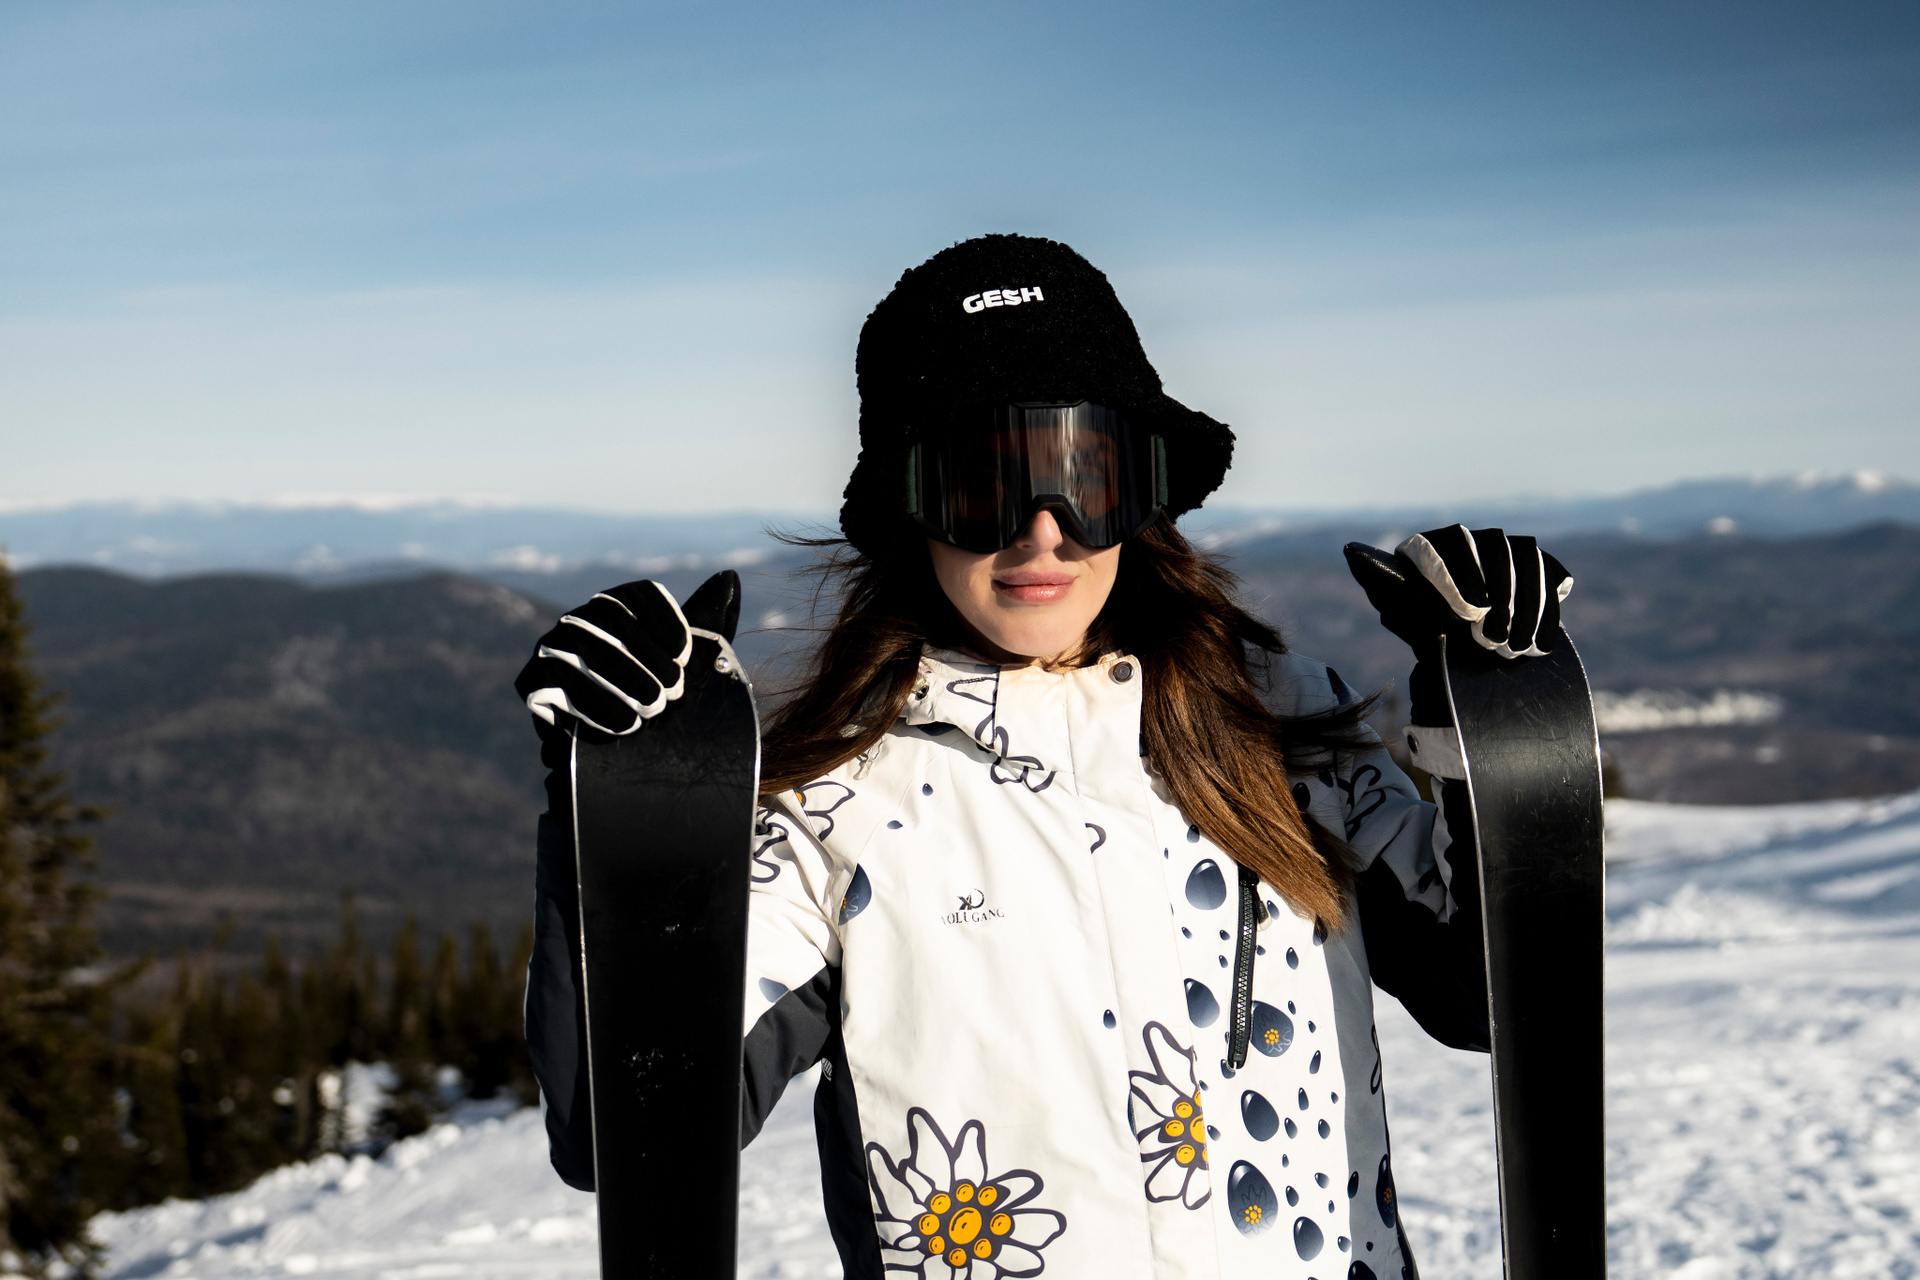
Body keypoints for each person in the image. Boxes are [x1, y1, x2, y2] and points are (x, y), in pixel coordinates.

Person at [515, 234, 1572, 1279]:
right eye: (981, 489)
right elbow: (627, 1132)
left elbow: (1489, 993)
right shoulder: (838, 812)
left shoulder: (1281, 729)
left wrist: (1482, 713)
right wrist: (620, 821)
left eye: (1085, 478)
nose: (1042, 533)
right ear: (913, 510)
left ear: (1142, 491)